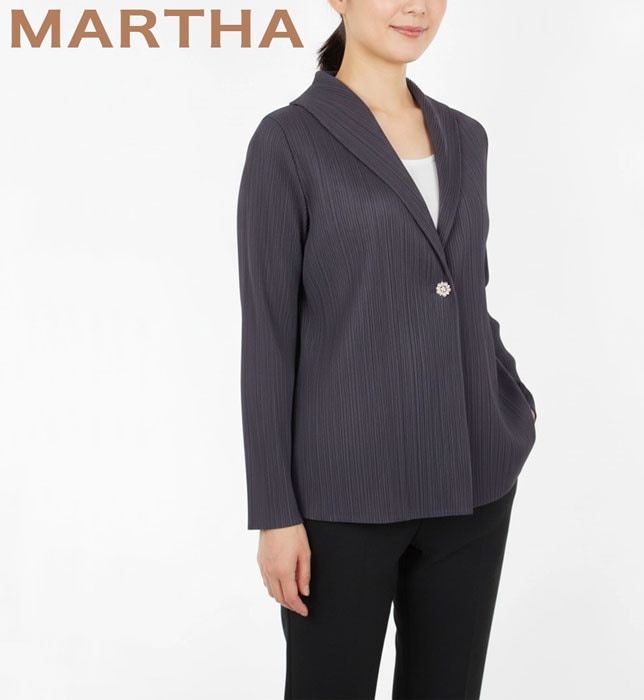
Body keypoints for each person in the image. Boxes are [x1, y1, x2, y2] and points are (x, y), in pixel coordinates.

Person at [236, 1, 538, 697]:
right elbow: (268, 338)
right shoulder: (288, 142)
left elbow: (465, 289)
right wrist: (275, 513)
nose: (417, 6)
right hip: (344, 497)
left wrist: (509, 401)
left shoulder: (466, 138)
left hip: (473, 480)